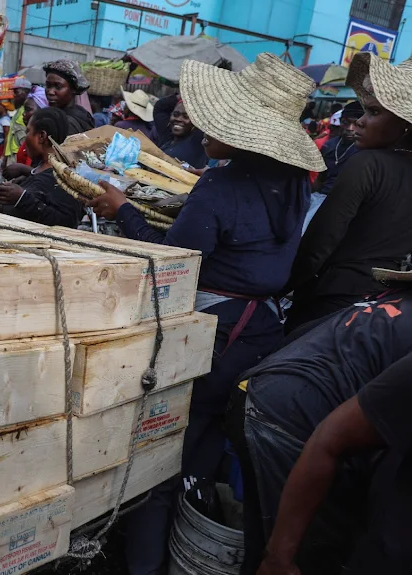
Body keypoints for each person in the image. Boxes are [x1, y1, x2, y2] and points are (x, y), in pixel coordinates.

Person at [87, 53, 324, 574]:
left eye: (211, 122)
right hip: (259, 334)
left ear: (243, 136)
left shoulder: (221, 188)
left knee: (159, 465)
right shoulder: (291, 184)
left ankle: (144, 564)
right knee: (200, 454)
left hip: (212, 341)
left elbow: (172, 262)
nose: (196, 125)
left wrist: (120, 208)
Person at [228, 268, 412, 575]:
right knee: (297, 556)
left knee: (271, 545)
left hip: (258, 390)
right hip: (290, 417)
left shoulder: (387, 301)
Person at [285, 54, 412, 333]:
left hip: (333, 302)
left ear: (405, 123)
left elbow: (320, 243)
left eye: (374, 113)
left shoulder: (368, 165)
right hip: (389, 310)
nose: (360, 122)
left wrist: (283, 286)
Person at [0, 107, 83, 227]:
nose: (25, 138)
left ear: (41, 136)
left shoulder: (62, 177)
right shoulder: (40, 167)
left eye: (28, 132)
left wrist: (22, 198)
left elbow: (67, 222)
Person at [314, 101, 362, 192]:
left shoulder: (366, 149)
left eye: (356, 124)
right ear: (340, 122)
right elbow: (321, 178)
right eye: (346, 123)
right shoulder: (329, 145)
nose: (350, 128)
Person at [153, 92, 208, 168]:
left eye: (186, 117)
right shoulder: (167, 136)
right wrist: (183, 94)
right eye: (175, 114)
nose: (178, 119)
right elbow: (160, 107)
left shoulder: (197, 140)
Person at [3, 86, 49, 172]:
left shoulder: (43, 142)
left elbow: (42, 173)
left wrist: (22, 170)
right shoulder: (31, 138)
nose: (24, 114)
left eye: (28, 110)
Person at [43, 59, 94, 135]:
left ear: (73, 89)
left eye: (58, 86)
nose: (50, 92)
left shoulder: (65, 124)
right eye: (48, 86)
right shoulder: (81, 113)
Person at [4, 75, 32, 164]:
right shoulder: (19, 111)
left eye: (16, 92)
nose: (14, 95)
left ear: (25, 92)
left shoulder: (29, 112)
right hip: (12, 156)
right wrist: (5, 158)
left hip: (21, 158)